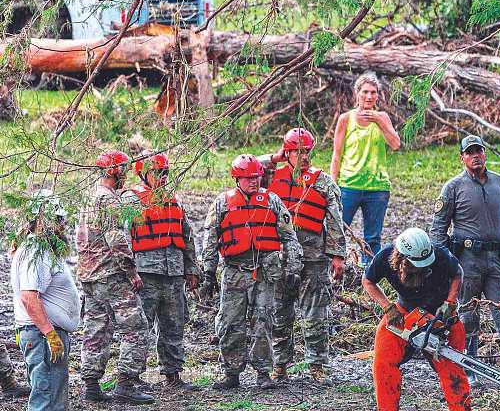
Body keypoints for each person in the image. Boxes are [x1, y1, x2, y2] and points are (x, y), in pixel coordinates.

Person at [362, 227, 476, 411]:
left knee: (453, 368)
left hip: (439, 315)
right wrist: (387, 308)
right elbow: (368, 281)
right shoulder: (385, 257)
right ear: (401, 258)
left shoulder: (441, 256)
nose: (420, 271)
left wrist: (450, 302)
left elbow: (457, 274)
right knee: (383, 362)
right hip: (403, 313)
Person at [430, 135, 500, 384]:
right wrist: (442, 265)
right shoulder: (452, 188)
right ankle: (470, 369)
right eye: (470, 152)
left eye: (479, 151)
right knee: (468, 316)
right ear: (462, 157)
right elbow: (438, 228)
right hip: (468, 262)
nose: (476, 156)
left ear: (485, 154)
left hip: (498, 261)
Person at [200, 154, 303, 390]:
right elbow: (210, 240)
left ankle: (263, 373)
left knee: (264, 322)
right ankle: (231, 373)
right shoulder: (222, 203)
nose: (253, 182)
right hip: (234, 271)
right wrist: (208, 273)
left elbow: (289, 237)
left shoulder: (273, 201)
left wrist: (293, 268)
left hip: (265, 272)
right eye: (248, 178)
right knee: (229, 322)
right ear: (237, 178)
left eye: (256, 177)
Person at [262, 128, 347, 384]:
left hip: (313, 256)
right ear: (287, 152)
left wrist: (337, 255)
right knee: (279, 313)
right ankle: (279, 367)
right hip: (280, 257)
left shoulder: (322, 182)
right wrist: (275, 158)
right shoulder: (270, 177)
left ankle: (318, 366)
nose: (304, 156)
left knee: (316, 314)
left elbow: (335, 221)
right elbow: (247, 168)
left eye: (307, 151)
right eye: (298, 151)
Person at [10, 190, 80, 411]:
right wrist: (50, 334)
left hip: (40, 334)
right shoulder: (35, 249)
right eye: (58, 219)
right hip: (42, 335)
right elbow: (29, 297)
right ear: (42, 220)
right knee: (49, 402)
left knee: (41, 398)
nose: (63, 225)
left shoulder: (41, 249)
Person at [77, 150, 154, 405]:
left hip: (89, 275)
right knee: (136, 327)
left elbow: (80, 240)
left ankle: (91, 384)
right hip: (111, 274)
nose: (127, 174)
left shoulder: (88, 198)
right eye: (123, 169)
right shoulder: (109, 200)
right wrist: (131, 272)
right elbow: (116, 238)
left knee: (96, 329)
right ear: (114, 172)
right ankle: (126, 383)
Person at [129, 152, 200, 391]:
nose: (161, 177)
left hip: (174, 274)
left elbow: (187, 237)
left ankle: (173, 374)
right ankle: (130, 377)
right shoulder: (131, 201)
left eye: (165, 173)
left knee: (174, 324)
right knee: (141, 326)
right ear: (143, 174)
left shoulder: (174, 200)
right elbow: (123, 240)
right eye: (156, 173)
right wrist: (130, 272)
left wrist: (192, 269)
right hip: (146, 274)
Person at [330, 72, 402, 263]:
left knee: (372, 238)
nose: (369, 96)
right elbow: (337, 155)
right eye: (365, 92)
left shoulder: (383, 117)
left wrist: (378, 121)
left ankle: (368, 277)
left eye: (373, 92)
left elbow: (395, 144)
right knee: (338, 230)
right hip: (348, 185)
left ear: (378, 95)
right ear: (357, 94)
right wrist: (333, 185)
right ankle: (336, 271)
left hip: (377, 187)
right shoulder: (346, 119)